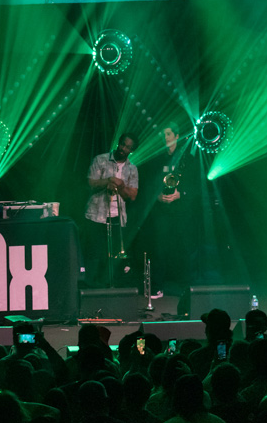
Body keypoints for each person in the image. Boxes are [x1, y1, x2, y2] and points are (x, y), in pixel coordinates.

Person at [141, 122, 200, 297]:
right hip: (161, 211)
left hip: (182, 211)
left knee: (184, 248)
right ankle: (157, 286)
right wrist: (157, 196)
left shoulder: (188, 158)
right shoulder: (157, 159)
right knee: (159, 248)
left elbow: (197, 185)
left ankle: (186, 287)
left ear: (176, 135)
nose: (165, 138)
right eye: (162, 135)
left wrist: (180, 194)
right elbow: (149, 184)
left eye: (167, 134)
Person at [84, 132, 139, 287]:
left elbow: (133, 195)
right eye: (122, 144)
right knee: (94, 254)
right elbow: (90, 184)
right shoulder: (100, 159)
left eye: (128, 147)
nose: (123, 149)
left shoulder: (132, 169)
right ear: (118, 143)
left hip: (117, 216)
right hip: (96, 214)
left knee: (113, 255)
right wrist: (107, 181)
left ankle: (109, 287)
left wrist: (120, 186)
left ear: (132, 150)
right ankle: (90, 288)